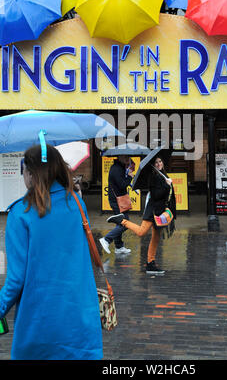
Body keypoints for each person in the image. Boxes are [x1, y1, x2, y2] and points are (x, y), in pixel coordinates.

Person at [0, 144, 103, 360]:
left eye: (24, 170)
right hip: (80, 322)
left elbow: (16, 280)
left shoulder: (21, 212)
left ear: (30, 173)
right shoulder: (77, 203)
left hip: (41, 323)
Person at [110, 155, 176, 274]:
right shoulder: (153, 177)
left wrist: (168, 185)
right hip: (153, 210)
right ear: (152, 165)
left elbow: (167, 195)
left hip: (161, 211)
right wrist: (167, 185)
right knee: (141, 232)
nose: (159, 164)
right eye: (156, 163)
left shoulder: (163, 175)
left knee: (156, 238)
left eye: (160, 161)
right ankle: (121, 221)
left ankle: (150, 263)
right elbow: (156, 195)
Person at [100, 155, 133, 255]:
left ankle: (119, 247)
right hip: (117, 200)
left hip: (120, 199)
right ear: (119, 157)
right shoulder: (116, 169)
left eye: (128, 156)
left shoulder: (121, 167)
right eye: (125, 156)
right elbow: (122, 185)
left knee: (120, 222)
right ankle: (106, 239)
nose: (127, 158)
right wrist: (130, 177)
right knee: (125, 222)